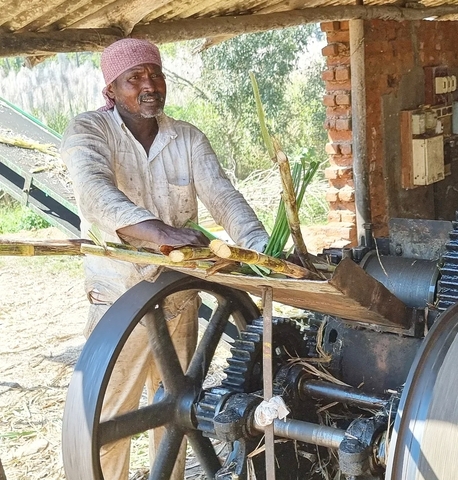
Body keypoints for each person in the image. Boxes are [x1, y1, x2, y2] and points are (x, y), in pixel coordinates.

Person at [60, 38, 269, 480]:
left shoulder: (187, 138)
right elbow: (95, 193)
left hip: (178, 294)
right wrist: (159, 233)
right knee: (108, 415)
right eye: (133, 78)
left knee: (175, 407)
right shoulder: (89, 132)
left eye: (154, 74)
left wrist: (261, 250)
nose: (148, 85)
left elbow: (224, 197)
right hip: (121, 294)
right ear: (111, 89)